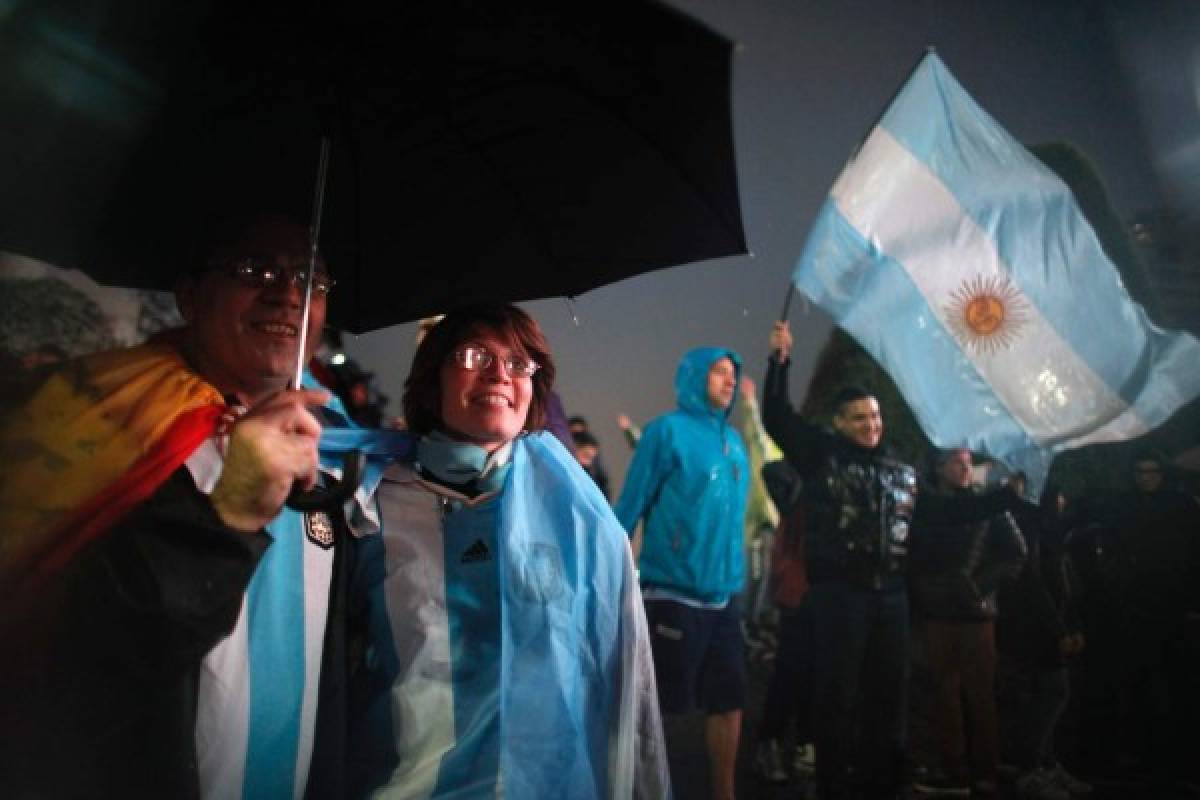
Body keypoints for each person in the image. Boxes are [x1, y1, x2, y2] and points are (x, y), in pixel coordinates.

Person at [0, 216, 365, 799]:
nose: (288, 294)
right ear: (189, 297)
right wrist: (228, 516)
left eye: (310, 278)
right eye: (255, 270)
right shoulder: (105, 420)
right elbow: (65, 652)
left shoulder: (334, 455)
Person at [350, 305, 668, 799]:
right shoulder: (371, 503)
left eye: (519, 363)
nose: (499, 373)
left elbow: (624, 676)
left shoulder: (575, 510)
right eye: (474, 354)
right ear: (434, 376)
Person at [762, 321, 1021, 800]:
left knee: (890, 694)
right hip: (839, 594)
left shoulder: (900, 466)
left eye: (874, 417)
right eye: (859, 418)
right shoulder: (820, 454)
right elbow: (777, 416)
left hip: (891, 597)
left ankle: (889, 780)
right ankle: (834, 784)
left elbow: (942, 512)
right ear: (839, 422)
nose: (870, 425)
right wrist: (780, 362)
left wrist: (1002, 499)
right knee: (836, 697)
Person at [614, 347, 750, 800]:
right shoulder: (665, 432)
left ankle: (723, 792)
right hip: (671, 594)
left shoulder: (734, 442)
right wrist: (609, 575)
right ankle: (652, 789)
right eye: (718, 372)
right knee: (663, 709)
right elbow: (630, 504)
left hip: (725, 596)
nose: (728, 381)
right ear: (693, 377)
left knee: (729, 701)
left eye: (733, 374)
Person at [907, 448, 1026, 797]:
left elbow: (1016, 551)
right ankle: (954, 768)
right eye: (956, 463)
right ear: (940, 468)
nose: (964, 469)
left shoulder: (986, 506)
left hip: (974, 614)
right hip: (937, 610)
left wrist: (981, 586)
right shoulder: (928, 507)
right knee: (943, 692)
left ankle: (984, 768)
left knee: (979, 694)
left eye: (967, 463)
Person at [996, 477, 1090, 800]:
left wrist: (1071, 624)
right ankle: (1031, 767)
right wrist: (1060, 629)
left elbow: (1063, 581)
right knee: (1051, 693)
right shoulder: (1036, 529)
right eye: (1059, 494)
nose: (1064, 500)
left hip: (1047, 623)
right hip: (1034, 627)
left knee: (1048, 694)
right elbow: (1034, 583)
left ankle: (1045, 764)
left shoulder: (1047, 529)